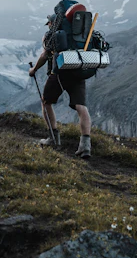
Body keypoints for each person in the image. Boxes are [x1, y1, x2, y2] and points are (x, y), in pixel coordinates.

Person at [29, 13, 92, 158]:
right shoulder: (80, 36)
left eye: (49, 24)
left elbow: (45, 55)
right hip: (78, 71)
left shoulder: (53, 35)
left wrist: (34, 70)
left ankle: (53, 138)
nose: (49, 26)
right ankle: (85, 146)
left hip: (59, 73)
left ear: (53, 23)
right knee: (81, 107)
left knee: (46, 101)